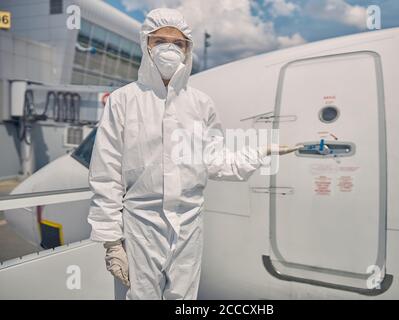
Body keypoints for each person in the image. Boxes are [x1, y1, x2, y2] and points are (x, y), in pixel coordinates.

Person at [87, 7, 299, 300]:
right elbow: (106, 173)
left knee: (184, 300)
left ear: (188, 49)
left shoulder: (201, 104)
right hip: (140, 226)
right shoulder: (124, 101)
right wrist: (111, 241)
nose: (169, 49)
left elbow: (215, 160)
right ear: (145, 43)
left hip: (189, 225)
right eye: (160, 41)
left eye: (178, 43)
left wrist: (260, 152)